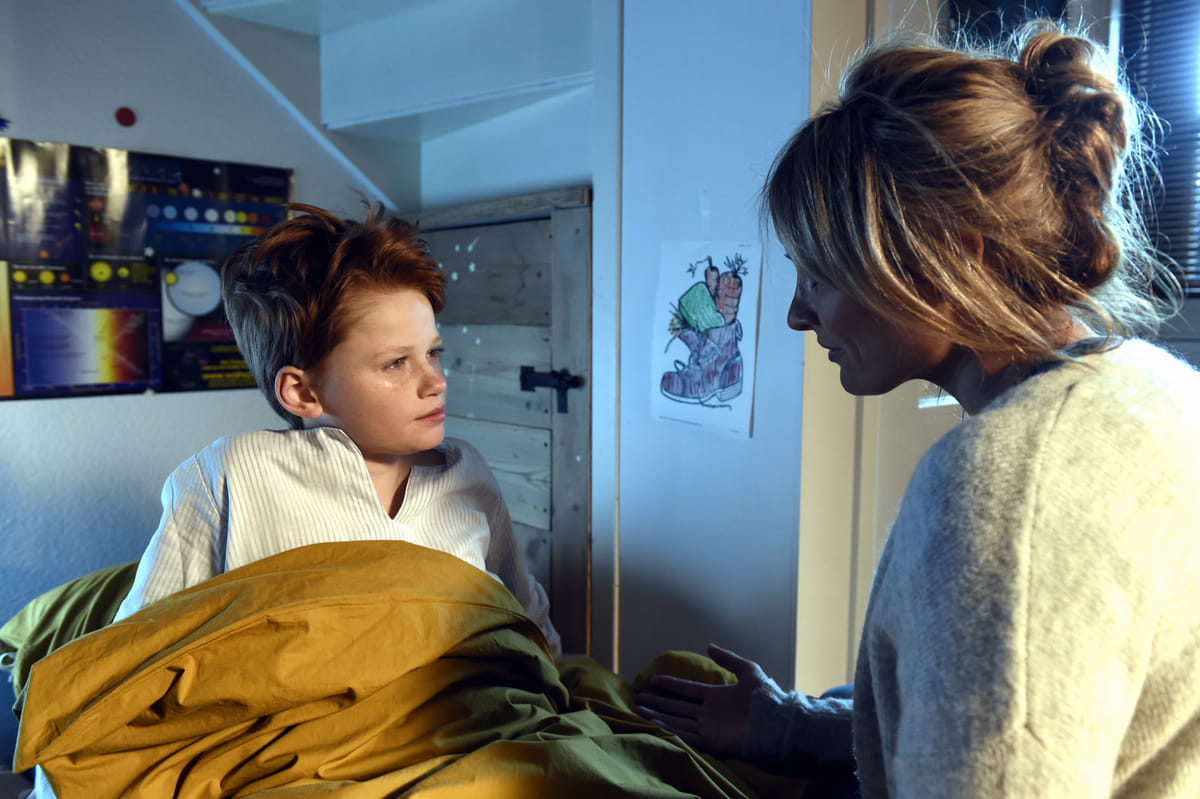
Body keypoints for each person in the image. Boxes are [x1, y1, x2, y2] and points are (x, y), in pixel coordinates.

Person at [636, 20, 1200, 798]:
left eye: (819, 277)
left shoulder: (1004, 489)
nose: (798, 315)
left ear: (952, 258)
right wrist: (791, 726)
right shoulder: (1158, 387)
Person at [113, 203, 561, 657]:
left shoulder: (468, 474)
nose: (436, 383)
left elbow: (530, 628)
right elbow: (133, 655)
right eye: (396, 363)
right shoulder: (231, 476)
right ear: (302, 393)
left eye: (433, 353)